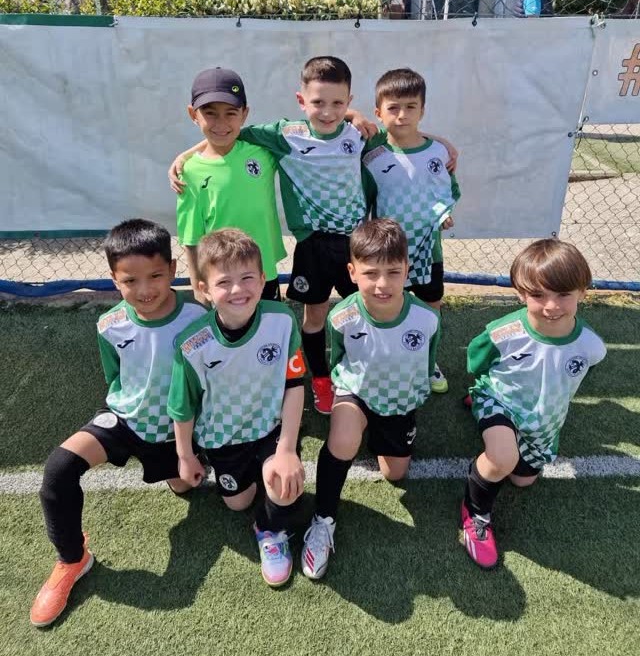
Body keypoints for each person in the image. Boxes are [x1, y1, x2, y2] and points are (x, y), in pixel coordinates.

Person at [168, 57, 457, 415]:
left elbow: (403, 135)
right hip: (313, 247)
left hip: (354, 244)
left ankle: (371, 369)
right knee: (315, 316)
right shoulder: (285, 136)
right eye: (318, 102)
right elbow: (229, 133)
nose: (328, 111)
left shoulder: (359, 134)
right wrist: (186, 154)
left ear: (349, 101)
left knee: (370, 309)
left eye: (338, 103)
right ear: (301, 101)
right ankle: (320, 379)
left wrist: (441, 143)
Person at [30, 219, 207, 628]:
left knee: (186, 488)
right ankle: (72, 559)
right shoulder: (109, 324)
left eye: (155, 276)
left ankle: (192, 462)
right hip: (125, 420)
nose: (144, 290)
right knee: (58, 470)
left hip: (175, 430)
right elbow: (115, 378)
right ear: (113, 279)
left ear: (174, 269)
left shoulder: (197, 317)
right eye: (130, 280)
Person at [300, 219, 440, 580]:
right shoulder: (342, 316)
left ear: (407, 269)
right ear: (352, 272)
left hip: (399, 399)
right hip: (357, 392)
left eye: (393, 272)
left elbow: (427, 363)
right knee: (344, 438)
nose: (382, 284)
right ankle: (323, 519)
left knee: (395, 474)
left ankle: (383, 433)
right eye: (371, 273)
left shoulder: (426, 319)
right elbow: (338, 361)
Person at [167, 228, 306, 587]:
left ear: (262, 279)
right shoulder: (192, 344)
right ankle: (243, 477)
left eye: (247, 278)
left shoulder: (282, 320)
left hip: (270, 429)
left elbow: (294, 385)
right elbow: (182, 406)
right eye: (224, 282)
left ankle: (269, 530)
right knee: (238, 503)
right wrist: (185, 455)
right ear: (204, 289)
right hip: (223, 439)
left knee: (286, 487)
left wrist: (287, 448)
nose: (237, 290)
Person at [461, 239, 606, 569]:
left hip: (543, 418)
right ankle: (475, 512)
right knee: (502, 459)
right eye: (538, 295)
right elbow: (477, 363)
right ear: (520, 293)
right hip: (498, 400)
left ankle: (514, 439)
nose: (551, 306)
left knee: (522, 479)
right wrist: (488, 391)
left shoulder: (592, 346)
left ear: (583, 292)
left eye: (563, 294)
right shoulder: (503, 333)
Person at [362, 67, 460, 393]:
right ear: (379, 112)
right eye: (393, 108)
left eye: (410, 107)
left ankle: (428, 363)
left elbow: (446, 192)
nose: (402, 115)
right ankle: (390, 358)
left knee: (431, 306)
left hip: (428, 250)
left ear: (422, 110)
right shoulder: (371, 155)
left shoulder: (438, 153)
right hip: (389, 254)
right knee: (388, 305)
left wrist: (444, 214)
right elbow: (365, 200)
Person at [176, 67, 286, 306]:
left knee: (270, 326)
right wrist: (197, 287)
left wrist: (353, 115)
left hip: (263, 272)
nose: (221, 123)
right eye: (210, 113)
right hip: (221, 280)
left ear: (244, 114)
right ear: (193, 114)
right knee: (229, 330)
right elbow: (191, 239)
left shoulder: (263, 152)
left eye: (231, 113)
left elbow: (312, 126)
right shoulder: (189, 171)